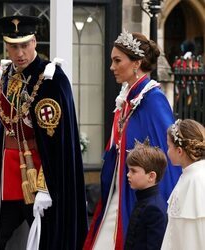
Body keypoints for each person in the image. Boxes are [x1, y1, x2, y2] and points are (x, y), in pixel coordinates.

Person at [0, 15, 88, 250]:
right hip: (5, 177)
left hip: (39, 176)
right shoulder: (2, 78)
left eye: (25, 45)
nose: (20, 53)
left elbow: (58, 145)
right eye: (14, 46)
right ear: (6, 45)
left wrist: (46, 187)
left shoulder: (52, 80)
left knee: (47, 240)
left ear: (35, 42)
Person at [83, 30, 181, 249]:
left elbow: (167, 155)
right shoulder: (128, 98)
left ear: (136, 63)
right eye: (112, 60)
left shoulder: (153, 100)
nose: (112, 67)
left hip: (136, 196)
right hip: (118, 190)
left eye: (117, 60)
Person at [161, 119, 205, 250]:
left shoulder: (196, 181)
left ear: (179, 151)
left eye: (169, 147)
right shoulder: (188, 175)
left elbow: (195, 235)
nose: (167, 152)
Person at [125, 139, 168, 250]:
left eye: (133, 171)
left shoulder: (154, 208)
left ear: (151, 176)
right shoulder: (143, 200)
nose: (128, 175)